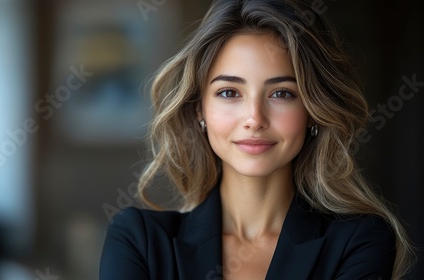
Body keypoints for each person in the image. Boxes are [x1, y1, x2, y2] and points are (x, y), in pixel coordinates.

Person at [99, 0, 415, 279]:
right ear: (199, 109)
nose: (255, 118)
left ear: (313, 111)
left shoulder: (359, 242)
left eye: (281, 93)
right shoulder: (138, 239)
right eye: (229, 92)